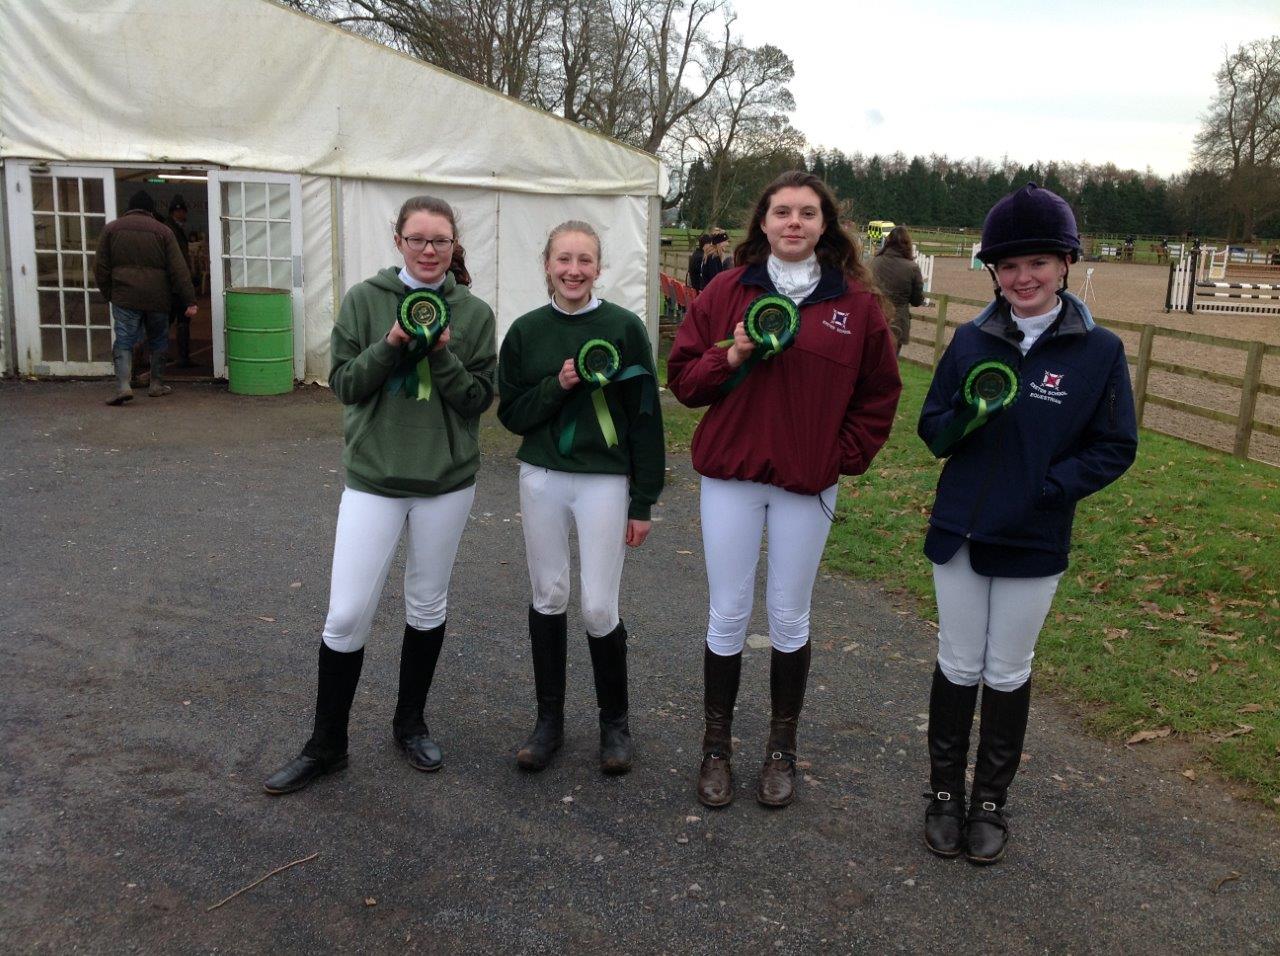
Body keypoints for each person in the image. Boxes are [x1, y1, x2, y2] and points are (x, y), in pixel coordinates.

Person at [667, 170, 902, 809]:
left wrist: (840, 454)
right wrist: (732, 357)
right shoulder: (723, 292)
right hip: (731, 478)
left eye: (806, 213)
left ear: (826, 225)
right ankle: (716, 748)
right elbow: (685, 381)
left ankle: (781, 751)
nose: (793, 223)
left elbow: (880, 393)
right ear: (763, 224)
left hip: (806, 484)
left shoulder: (855, 307)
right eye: (781, 213)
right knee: (728, 610)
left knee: (790, 614)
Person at [917, 183, 1137, 864]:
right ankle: (944, 794)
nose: (1022, 278)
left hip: (1035, 536)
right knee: (958, 661)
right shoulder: (969, 338)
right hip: (960, 532)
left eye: (1037, 263)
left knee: (1007, 669)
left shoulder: (1099, 353)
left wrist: (1050, 488)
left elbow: (1115, 446)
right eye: (1008, 266)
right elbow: (932, 431)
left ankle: (990, 800)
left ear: (1066, 262)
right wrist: (967, 419)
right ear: (994, 272)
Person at [263, 195, 497, 795]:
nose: (428, 250)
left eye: (440, 241)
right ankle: (327, 744)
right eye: (417, 239)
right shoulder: (365, 301)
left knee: (426, 605)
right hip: (374, 479)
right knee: (345, 615)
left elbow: (476, 401)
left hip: (445, 483)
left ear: (453, 246)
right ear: (398, 240)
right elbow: (345, 385)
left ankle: (410, 723)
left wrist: (440, 353)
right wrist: (392, 342)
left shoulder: (472, 313)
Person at [497, 220, 664, 775]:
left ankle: (614, 723)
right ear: (547, 264)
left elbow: (645, 418)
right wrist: (559, 385)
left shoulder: (624, 328)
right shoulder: (524, 332)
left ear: (599, 267)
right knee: (549, 594)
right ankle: (549, 722)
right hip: (543, 476)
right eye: (563, 259)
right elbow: (512, 415)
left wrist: (643, 500)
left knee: (597, 605)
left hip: (605, 481)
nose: (573, 270)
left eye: (585, 260)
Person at [93, 190, 196, 405]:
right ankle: (156, 384)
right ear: (150, 210)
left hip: (125, 297)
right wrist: (189, 300)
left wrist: (109, 293)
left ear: (129, 208)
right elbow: (179, 269)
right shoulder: (164, 231)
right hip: (158, 298)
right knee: (158, 339)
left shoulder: (111, 229)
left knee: (124, 339)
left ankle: (123, 385)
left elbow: (100, 267)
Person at [869, 224, 925, 355]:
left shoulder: (874, 262)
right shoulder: (912, 268)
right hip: (897, 322)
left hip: (873, 318)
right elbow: (917, 300)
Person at [164, 195, 197, 368]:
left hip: (173, 285)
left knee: (171, 322)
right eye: (181, 210)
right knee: (177, 322)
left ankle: (176, 357)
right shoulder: (171, 231)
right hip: (175, 285)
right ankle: (180, 357)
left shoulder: (171, 229)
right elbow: (178, 263)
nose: (183, 213)